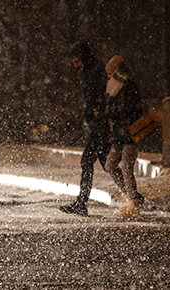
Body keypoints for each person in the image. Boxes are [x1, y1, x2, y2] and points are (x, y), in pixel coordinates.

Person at [59, 42, 111, 216]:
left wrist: (98, 111)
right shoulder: (88, 71)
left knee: (87, 161)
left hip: (100, 123)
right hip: (97, 121)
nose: (75, 65)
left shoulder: (97, 70)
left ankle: (81, 203)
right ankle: (134, 196)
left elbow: (103, 93)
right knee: (107, 162)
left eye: (76, 60)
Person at [103, 55, 144, 217]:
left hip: (129, 134)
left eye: (110, 73)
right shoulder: (114, 87)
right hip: (118, 135)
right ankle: (129, 195)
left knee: (126, 167)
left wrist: (109, 111)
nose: (108, 76)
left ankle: (133, 202)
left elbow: (131, 109)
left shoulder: (127, 85)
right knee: (110, 166)